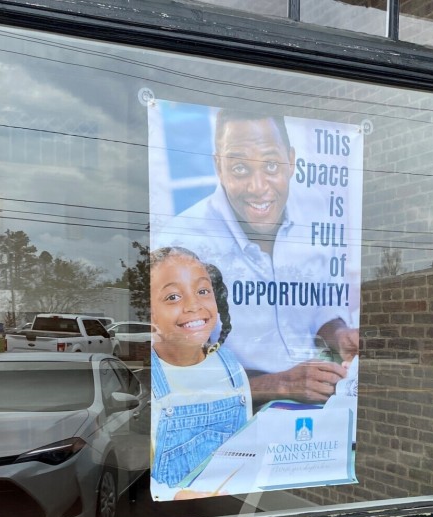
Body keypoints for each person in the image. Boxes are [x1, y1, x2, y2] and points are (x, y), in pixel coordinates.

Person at [152, 108, 358, 405]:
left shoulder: (315, 216)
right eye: (239, 169)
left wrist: (339, 335)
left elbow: (317, 309)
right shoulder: (182, 243)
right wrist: (279, 384)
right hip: (228, 422)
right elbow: (178, 371)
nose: (258, 187)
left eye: (272, 165)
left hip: (321, 416)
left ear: (291, 161)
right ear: (218, 167)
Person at [149, 246, 252, 500]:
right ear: (149, 315)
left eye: (203, 291)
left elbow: (248, 451)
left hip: (230, 510)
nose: (194, 305)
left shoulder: (231, 369)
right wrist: (173, 496)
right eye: (173, 297)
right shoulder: (146, 378)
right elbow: (137, 476)